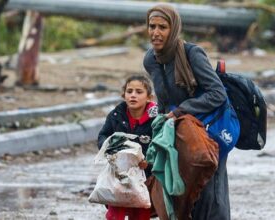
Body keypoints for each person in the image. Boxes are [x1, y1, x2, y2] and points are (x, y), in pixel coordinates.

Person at [143, 4, 232, 220]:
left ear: (173, 29)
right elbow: (163, 102)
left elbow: (217, 93)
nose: (156, 32)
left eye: (162, 27)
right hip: (178, 134)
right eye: (151, 26)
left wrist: (183, 110)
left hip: (208, 131)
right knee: (179, 191)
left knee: (210, 194)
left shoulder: (193, 54)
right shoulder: (151, 60)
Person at [97, 75, 158, 220]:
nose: (133, 95)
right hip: (119, 173)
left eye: (139, 92)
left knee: (141, 212)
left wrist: (149, 162)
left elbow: (160, 144)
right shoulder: (116, 115)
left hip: (145, 176)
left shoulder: (156, 119)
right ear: (123, 95)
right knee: (115, 212)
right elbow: (103, 136)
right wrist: (110, 149)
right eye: (129, 91)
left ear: (149, 97)